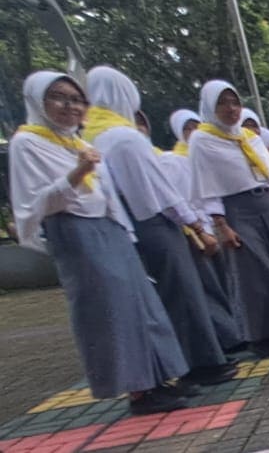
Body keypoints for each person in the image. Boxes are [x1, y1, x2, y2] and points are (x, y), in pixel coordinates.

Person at [10, 71, 191, 415]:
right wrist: (76, 173)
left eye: (77, 99)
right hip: (75, 232)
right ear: (38, 102)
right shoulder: (28, 143)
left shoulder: (78, 143)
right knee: (111, 312)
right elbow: (36, 205)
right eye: (59, 97)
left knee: (141, 305)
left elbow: (107, 195)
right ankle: (138, 390)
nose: (70, 106)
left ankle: (158, 378)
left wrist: (126, 233)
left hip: (110, 229)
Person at [83, 67, 237, 386]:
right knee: (185, 295)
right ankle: (202, 364)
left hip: (126, 228)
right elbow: (160, 191)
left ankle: (182, 364)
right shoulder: (126, 138)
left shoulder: (90, 136)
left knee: (163, 299)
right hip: (157, 224)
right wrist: (196, 225)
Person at [188, 80, 269, 355]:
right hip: (236, 211)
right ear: (210, 107)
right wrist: (221, 225)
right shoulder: (203, 140)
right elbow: (207, 186)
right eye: (222, 103)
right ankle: (264, 336)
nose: (231, 109)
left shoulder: (250, 139)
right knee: (256, 274)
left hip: (266, 206)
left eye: (234, 102)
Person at [164, 109, 247, 352]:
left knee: (226, 282)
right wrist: (198, 230)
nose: (195, 132)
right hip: (198, 231)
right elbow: (180, 200)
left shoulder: (206, 156)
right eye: (189, 128)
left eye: (198, 126)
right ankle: (226, 337)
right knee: (209, 286)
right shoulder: (174, 161)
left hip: (216, 225)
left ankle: (236, 329)